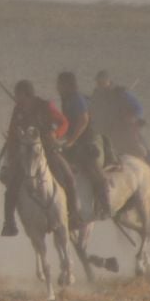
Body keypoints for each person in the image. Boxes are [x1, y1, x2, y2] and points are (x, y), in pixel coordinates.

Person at [0, 79, 81, 236]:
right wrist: (11, 152)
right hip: (25, 154)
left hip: (47, 150)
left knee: (68, 177)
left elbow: (63, 123)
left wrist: (55, 134)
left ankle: (74, 216)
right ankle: (9, 222)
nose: (17, 98)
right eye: (16, 95)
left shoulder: (45, 106)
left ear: (27, 95)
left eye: (19, 95)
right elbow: (12, 132)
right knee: (11, 188)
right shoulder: (18, 110)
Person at [90, 70, 150, 196]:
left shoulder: (120, 94)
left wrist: (130, 117)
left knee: (147, 154)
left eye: (103, 82)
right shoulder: (96, 96)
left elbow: (138, 108)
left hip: (125, 132)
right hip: (106, 133)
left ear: (108, 81)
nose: (101, 84)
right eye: (99, 82)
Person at [57, 71, 107, 218]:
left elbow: (83, 120)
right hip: (73, 142)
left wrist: (71, 140)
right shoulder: (66, 100)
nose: (57, 87)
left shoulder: (76, 99)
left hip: (86, 141)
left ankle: (105, 204)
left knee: (94, 171)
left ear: (67, 85)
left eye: (59, 84)